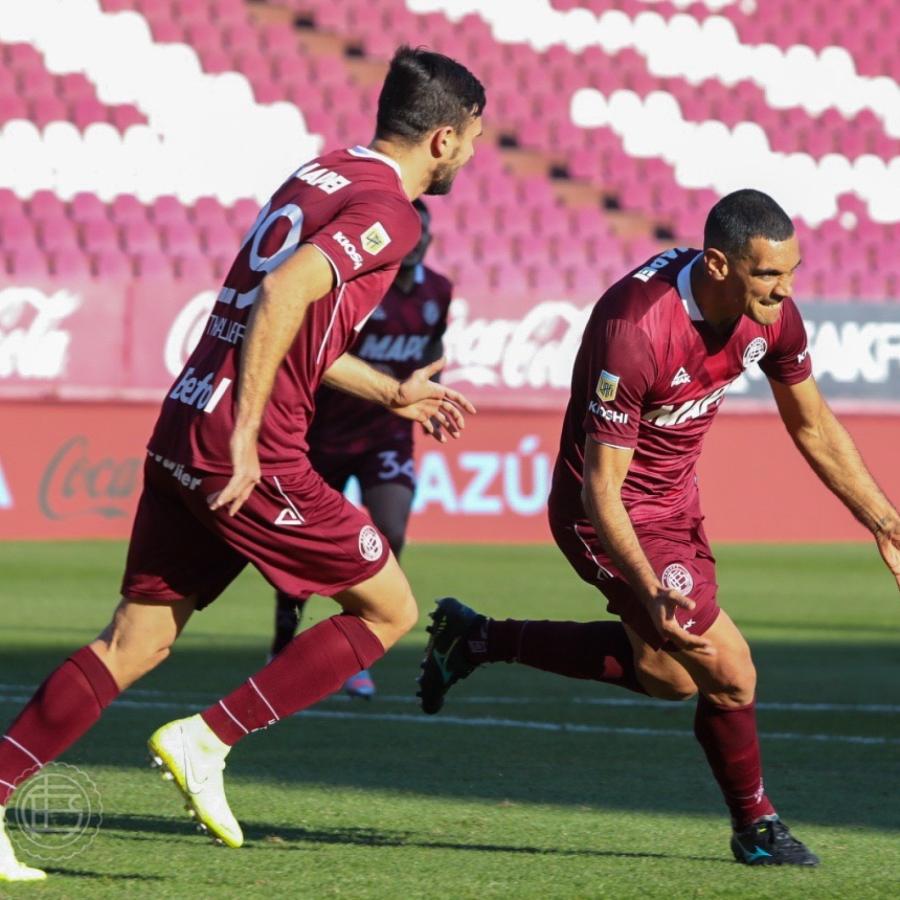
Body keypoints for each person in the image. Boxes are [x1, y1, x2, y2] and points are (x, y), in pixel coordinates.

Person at [0, 46, 485, 881]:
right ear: (442, 138)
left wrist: (387, 390)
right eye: (475, 137)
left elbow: (293, 323)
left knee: (137, 640)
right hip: (245, 450)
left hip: (187, 418)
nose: (476, 154)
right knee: (388, 611)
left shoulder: (321, 171)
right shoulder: (394, 212)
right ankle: (209, 738)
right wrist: (250, 436)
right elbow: (284, 294)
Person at [418, 189, 900, 867]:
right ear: (719, 265)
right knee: (732, 672)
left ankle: (477, 638)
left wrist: (884, 521)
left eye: (790, 272)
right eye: (768, 274)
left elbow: (811, 422)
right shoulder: (636, 329)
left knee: (670, 679)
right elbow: (600, 487)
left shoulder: (773, 317)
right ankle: (756, 826)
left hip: (677, 506)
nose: (784, 289)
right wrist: (647, 584)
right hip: (605, 514)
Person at [270, 198, 452, 699]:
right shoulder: (361, 287)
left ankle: (354, 649)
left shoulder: (440, 290)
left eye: (425, 235)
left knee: (389, 531)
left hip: (386, 436)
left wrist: (433, 400)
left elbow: (433, 350)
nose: (417, 245)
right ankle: (283, 641)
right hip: (322, 433)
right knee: (300, 549)